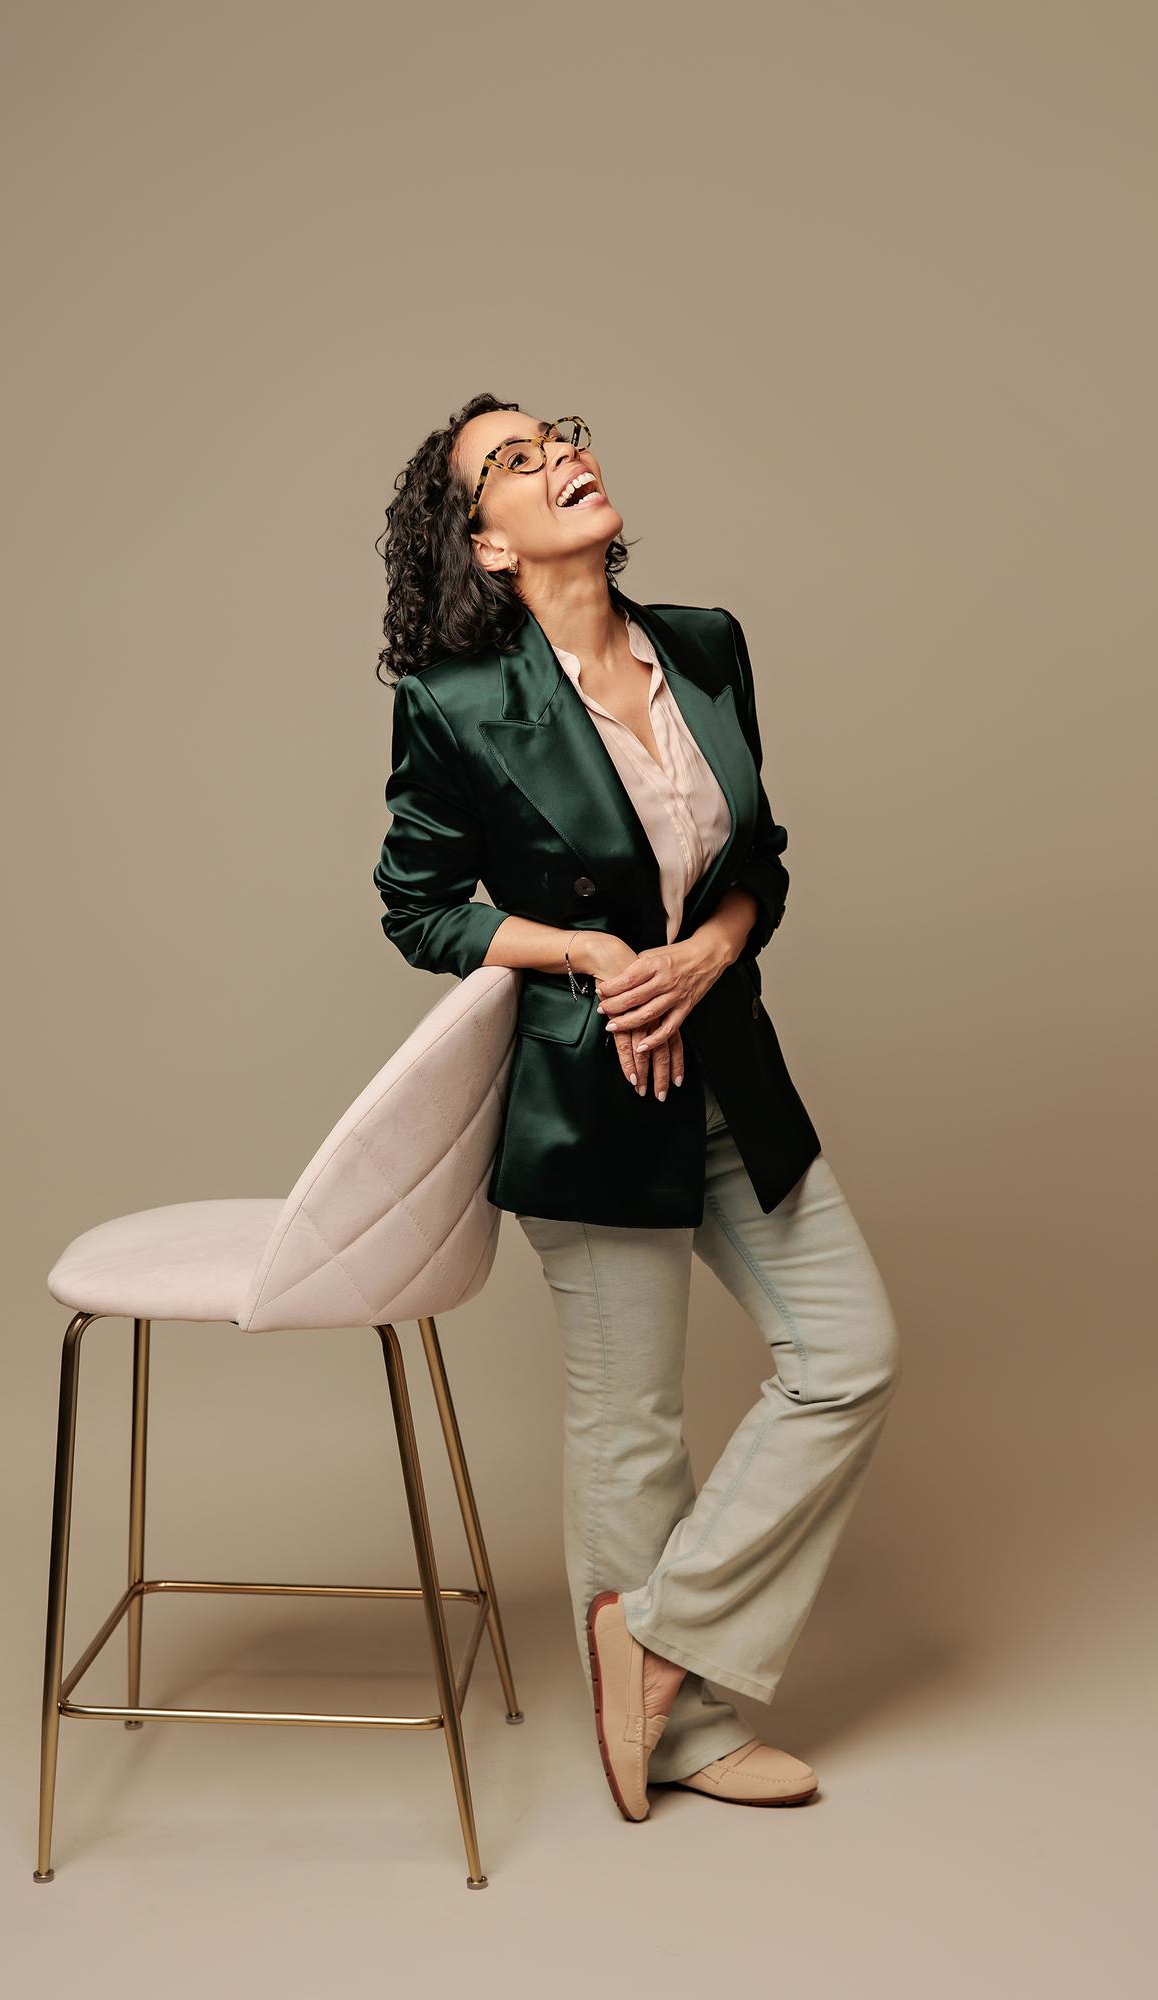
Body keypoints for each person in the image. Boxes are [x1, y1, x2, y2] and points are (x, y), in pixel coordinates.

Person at [372, 393, 902, 1818]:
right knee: (634, 1421)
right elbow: (415, 908)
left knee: (846, 1351)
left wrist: (713, 946)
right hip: (588, 1089)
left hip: (726, 1060)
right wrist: (591, 951)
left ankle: (655, 1644)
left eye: (563, 435)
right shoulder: (457, 708)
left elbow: (758, 862)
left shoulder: (707, 645)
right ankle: (671, 1731)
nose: (563, 462)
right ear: (483, 543)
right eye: (518, 461)